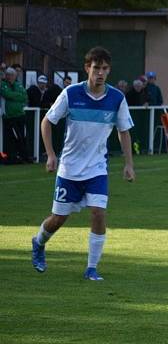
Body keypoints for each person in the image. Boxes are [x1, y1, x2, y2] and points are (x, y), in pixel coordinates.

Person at [31, 46, 135, 281]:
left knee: (98, 213)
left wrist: (129, 164)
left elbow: (124, 131)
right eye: (96, 68)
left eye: (105, 69)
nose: (100, 73)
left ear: (109, 71)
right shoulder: (71, 93)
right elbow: (47, 122)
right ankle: (38, 243)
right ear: (87, 68)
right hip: (69, 168)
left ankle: (91, 268)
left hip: (97, 168)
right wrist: (50, 154)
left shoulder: (117, 98)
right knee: (58, 219)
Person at [1, 67, 32, 163]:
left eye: (11, 75)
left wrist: (14, 95)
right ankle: (13, 158)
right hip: (10, 117)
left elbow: (24, 96)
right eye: (8, 75)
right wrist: (17, 95)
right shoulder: (3, 85)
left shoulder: (19, 85)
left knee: (23, 136)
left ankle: (25, 157)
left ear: (15, 76)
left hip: (20, 115)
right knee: (13, 138)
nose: (9, 77)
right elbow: (7, 94)